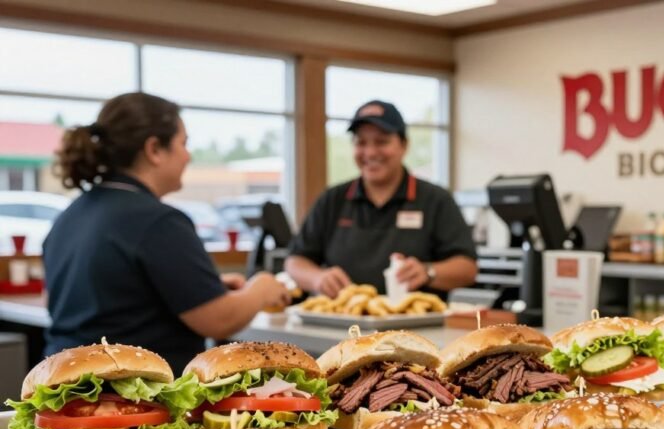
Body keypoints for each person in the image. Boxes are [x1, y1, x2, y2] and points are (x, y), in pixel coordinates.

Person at [46, 92, 290, 372]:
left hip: (66, 385)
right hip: (134, 398)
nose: (188, 155)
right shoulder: (158, 221)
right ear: (154, 150)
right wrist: (261, 289)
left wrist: (205, 289)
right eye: (183, 143)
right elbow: (219, 320)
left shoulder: (71, 214)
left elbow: (111, 297)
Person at [286, 100, 477, 298]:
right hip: (342, 323)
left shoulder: (436, 199)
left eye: (381, 142)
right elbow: (295, 261)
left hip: (416, 325)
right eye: (361, 142)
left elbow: (468, 268)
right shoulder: (332, 200)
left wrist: (428, 271)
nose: (370, 152)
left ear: (404, 145)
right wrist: (318, 278)